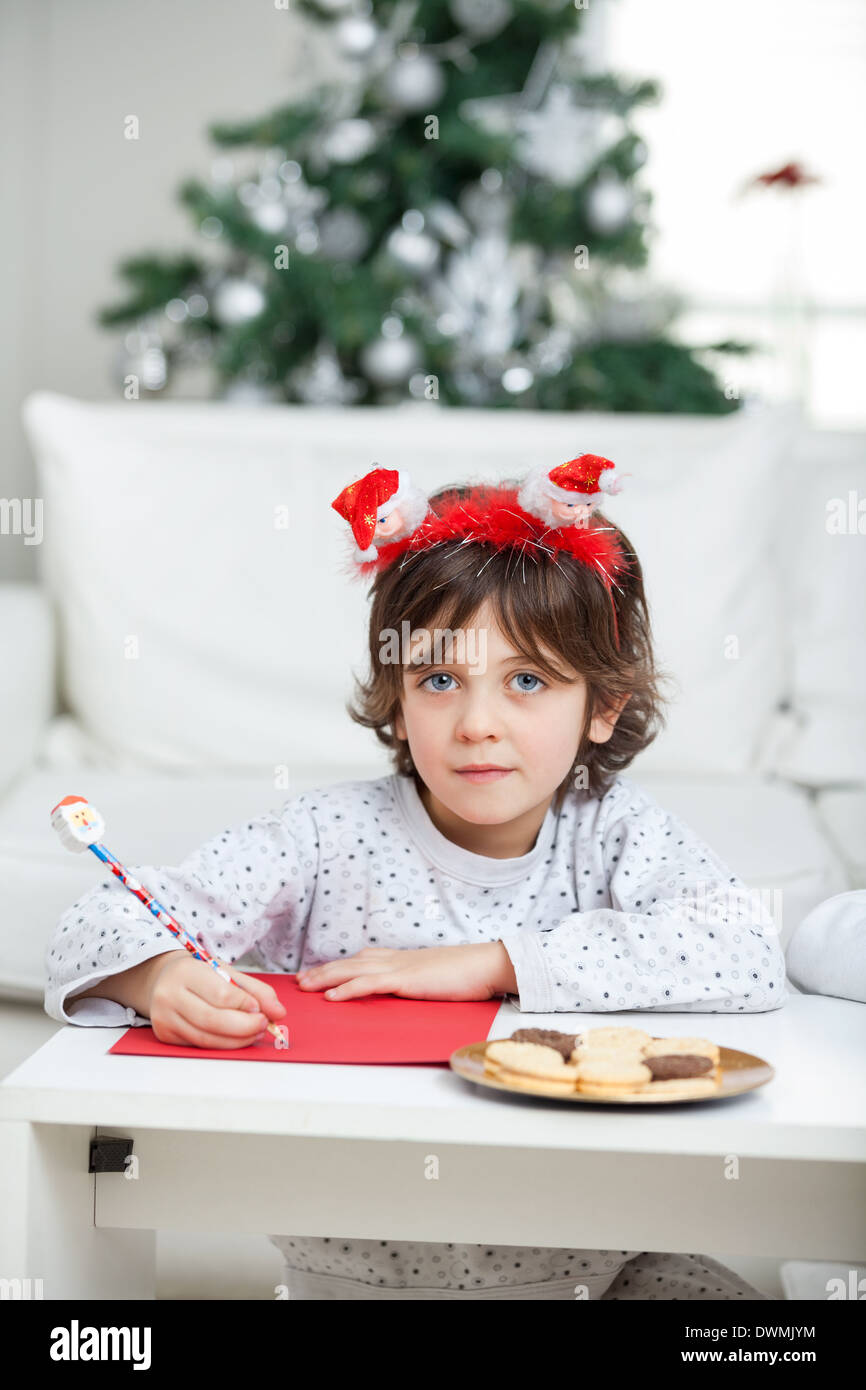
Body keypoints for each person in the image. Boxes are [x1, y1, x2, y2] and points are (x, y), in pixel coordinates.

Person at [43, 461, 787, 1301]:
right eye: (439, 680)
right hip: (359, 1275)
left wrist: (491, 961)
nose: (477, 724)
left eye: (528, 681)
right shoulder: (323, 838)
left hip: (598, 1265)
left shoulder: (614, 829)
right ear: (397, 701)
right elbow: (100, 916)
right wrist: (158, 975)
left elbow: (746, 947)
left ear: (603, 707)